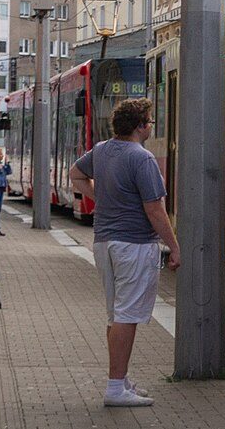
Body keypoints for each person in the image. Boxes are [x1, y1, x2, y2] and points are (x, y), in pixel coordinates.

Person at [70, 98, 180, 408]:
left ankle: (121, 379)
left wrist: (101, 197)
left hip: (104, 243)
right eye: (150, 121)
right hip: (134, 244)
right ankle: (116, 387)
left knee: (116, 315)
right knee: (127, 315)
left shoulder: (102, 150)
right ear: (141, 126)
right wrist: (174, 247)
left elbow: (75, 174)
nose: (151, 126)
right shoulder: (142, 158)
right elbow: (154, 209)